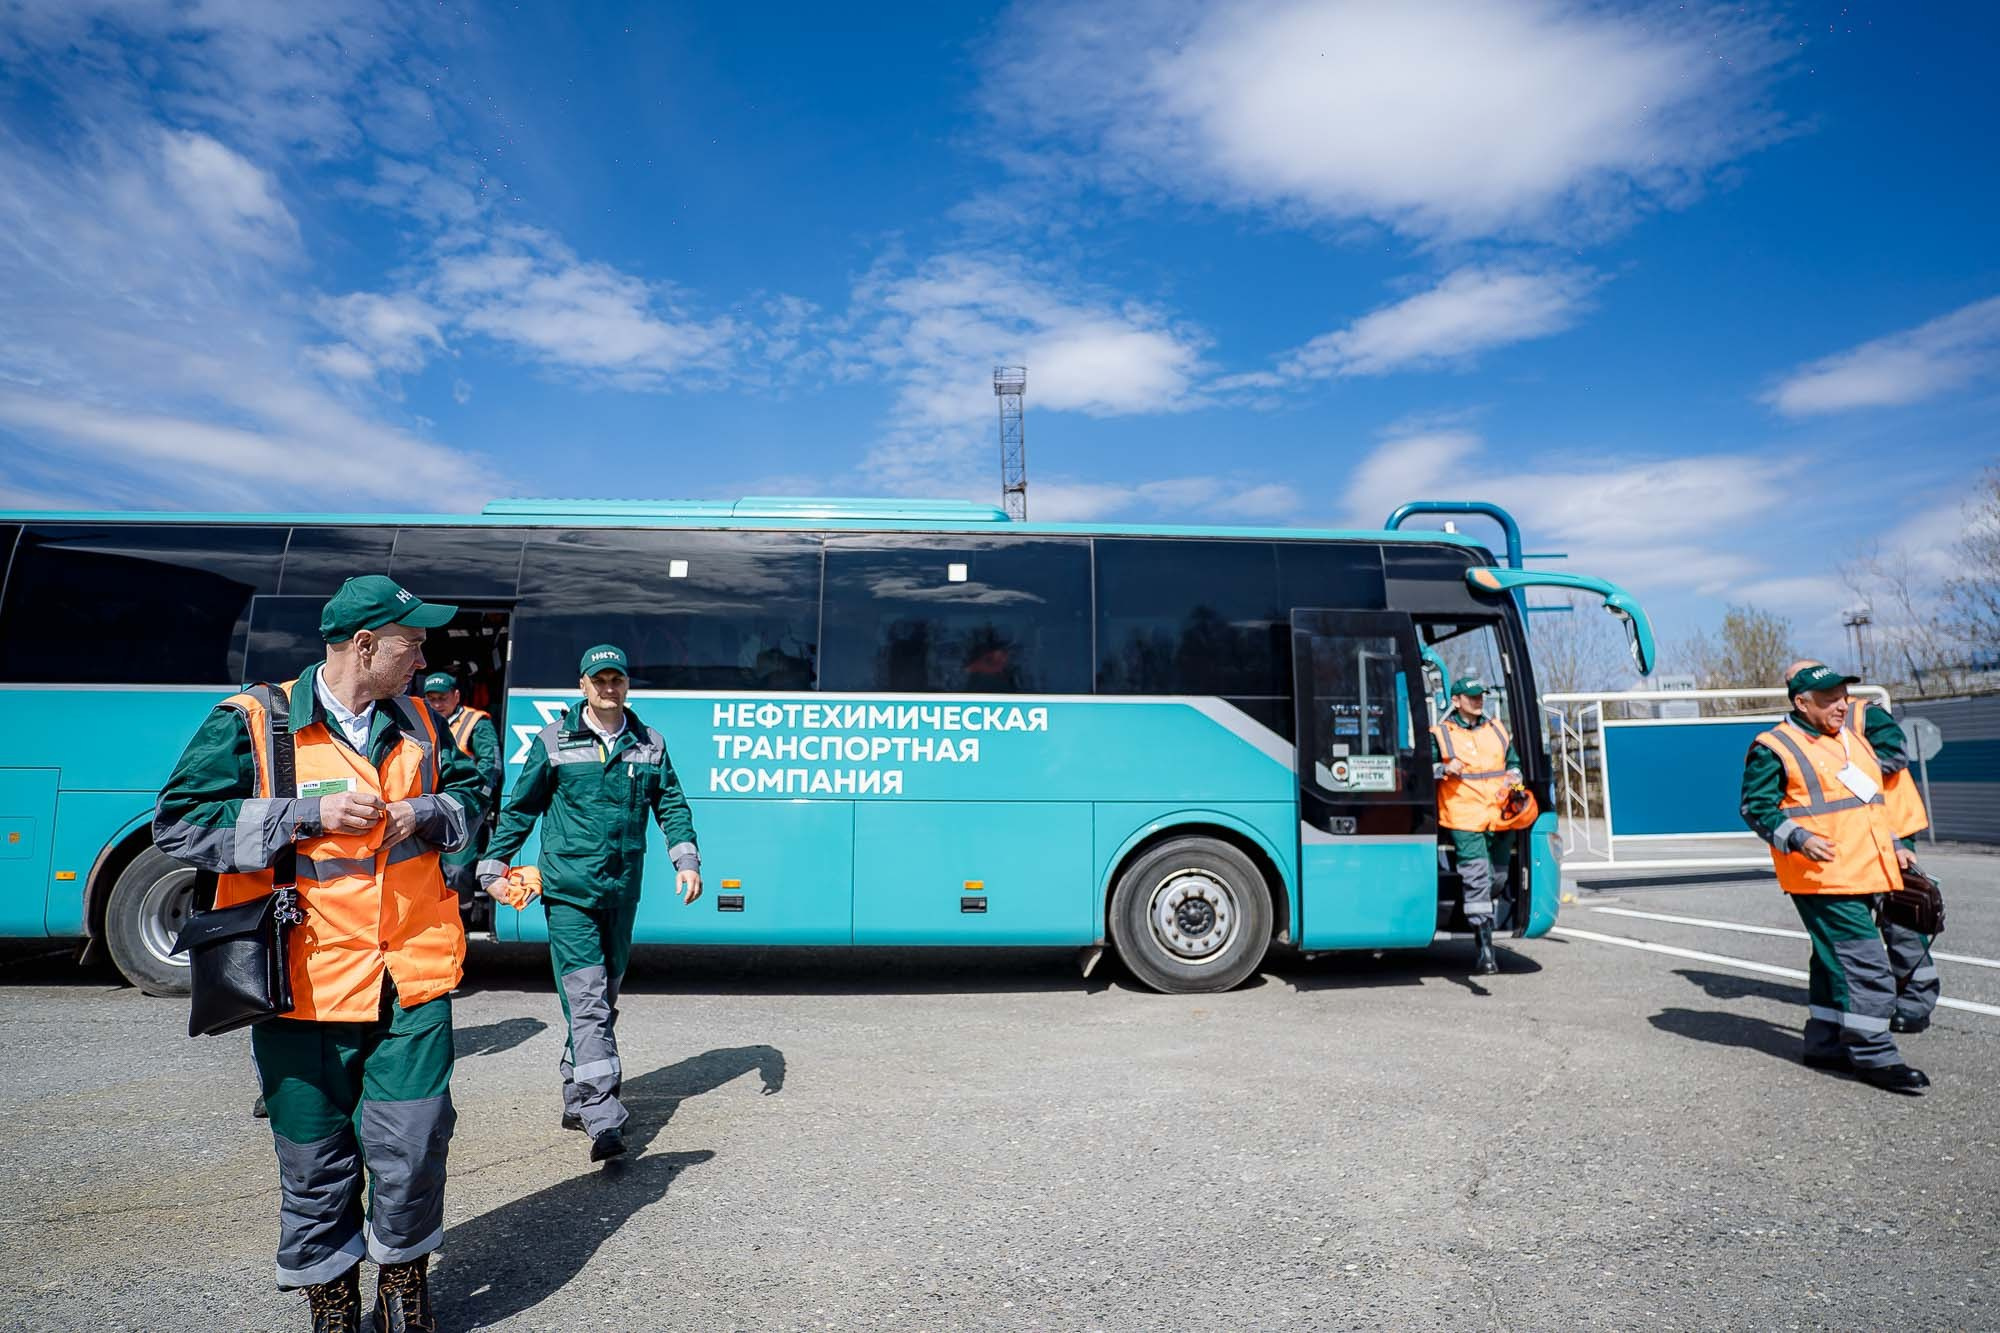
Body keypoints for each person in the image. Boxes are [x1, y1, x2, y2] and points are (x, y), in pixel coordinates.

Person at [154, 575, 490, 1330]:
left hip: (410, 975)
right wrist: (307, 814)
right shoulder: (253, 720)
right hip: (299, 982)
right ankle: (332, 1299)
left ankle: (403, 1285)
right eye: (412, 643)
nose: (424, 658)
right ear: (365, 645)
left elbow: (474, 800)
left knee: (414, 1148)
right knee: (314, 1161)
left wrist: (423, 812)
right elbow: (178, 824)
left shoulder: (423, 721)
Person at [478, 643, 702, 1164]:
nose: (608, 688)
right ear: (582, 685)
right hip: (569, 893)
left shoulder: (649, 743)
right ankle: (604, 1118)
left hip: (621, 893)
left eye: (616, 680)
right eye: (598, 680)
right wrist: (492, 867)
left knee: (603, 999)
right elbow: (521, 808)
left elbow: (671, 803)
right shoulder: (554, 740)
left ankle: (577, 1095)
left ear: (626, 685)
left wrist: (686, 860)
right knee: (589, 1002)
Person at [1739, 661, 1927, 1094]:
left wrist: (1896, 843)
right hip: (1823, 878)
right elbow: (1755, 807)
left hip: (1869, 868)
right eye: (1829, 700)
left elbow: (1870, 803)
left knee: (1832, 962)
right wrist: (1798, 837)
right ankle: (1876, 1056)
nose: (1842, 705)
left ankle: (1825, 1043)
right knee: (1866, 965)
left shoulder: (1850, 738)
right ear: (1802, 703)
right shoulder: (1775, 746)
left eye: (1843, 696)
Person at [1831, 666, 1940, 1033]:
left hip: (1891, 829)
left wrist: (1842, 773)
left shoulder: (1865, 715)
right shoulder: (1806, 730)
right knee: (1855, 923)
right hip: (1850, 836)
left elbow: (1895, 757)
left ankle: (1917, 1001)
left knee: (1901, 918)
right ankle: (1873, 998)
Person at [1429, 677, 1519, 976]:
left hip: (1500, 817)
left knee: (1498, 879)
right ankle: (1485, 950)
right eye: (1472, 697)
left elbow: (1514, 763)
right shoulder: (1441, 733)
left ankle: (1463, 913)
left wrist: (1514, 776)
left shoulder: (1497, 729)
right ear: (1456, 701)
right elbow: (1422, 768)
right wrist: (1444, 768)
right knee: (1478, 879)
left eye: (1481, 696)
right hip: (1464, 818)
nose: (1478, 701)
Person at [422, 670, 504, 909]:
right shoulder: (419, 719)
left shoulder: (476, 722)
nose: (437, 704)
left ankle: (463, 913)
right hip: (424, 806)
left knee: (457, 870)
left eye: (442, 698)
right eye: (431, 699)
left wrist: (475, 800)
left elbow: (491, 765)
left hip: (458, 806)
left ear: (456, 696)